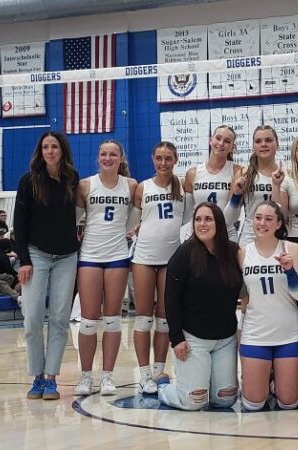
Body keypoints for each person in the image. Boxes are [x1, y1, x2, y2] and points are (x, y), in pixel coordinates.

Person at [156, 202, 243, 410]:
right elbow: (170, 297)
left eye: (208, 219)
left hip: (225, 339)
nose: (202, 224)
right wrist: (177, 339)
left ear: (219, 223)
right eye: (198, 219)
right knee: (193, 402)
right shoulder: (184, 253)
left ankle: (206, 381)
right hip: (193, 339)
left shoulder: (233, 252)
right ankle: (163, 387)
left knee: (225, 399)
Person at [14, 131, 80, 400]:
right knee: (31, 319)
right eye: (45, 147)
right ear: (40, 151)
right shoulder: (28, 181)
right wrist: (24, 260)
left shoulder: (72, 179)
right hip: (36, 255)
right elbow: (19, 223)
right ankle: (36, 376)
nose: (50, 151)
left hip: (67, 257)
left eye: (54, 146)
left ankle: (51, 377)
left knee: (60, 319)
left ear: (62, 150)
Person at [74, 140, 138, 397]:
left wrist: (123, 235)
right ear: (97, 158)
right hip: (89, 255)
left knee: (112, 319)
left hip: (117, 256)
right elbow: (76, 219)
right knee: (88, 320)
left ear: (120, 157)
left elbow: (134, 219)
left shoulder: (131, 185)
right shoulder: (85, 185)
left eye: (113, 154)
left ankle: (108, 377)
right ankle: (86, 377)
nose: (108, 158)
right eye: (103, 154)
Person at [130, 142, 187, 394]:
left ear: (176, 160)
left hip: (171, 258)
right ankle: (143, 375)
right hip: (143, 257)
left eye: (168, 159)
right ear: (152, 159)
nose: (163, 163)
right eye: (159, 158)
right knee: (143, 317)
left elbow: (186, 219)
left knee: (165, 319)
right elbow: (133, 221)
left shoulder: (184, 187)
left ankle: (158, 370)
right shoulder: (143, 187)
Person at [238, 201, 298, 411]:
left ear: (278, 223)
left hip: (288, 334)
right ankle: (262, 381)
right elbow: (241, 293)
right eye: (258, 218)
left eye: (268, 219)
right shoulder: (242, 252)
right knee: (253, 403)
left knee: (289, 403)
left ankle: (279, 382)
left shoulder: (292, 249)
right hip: (255, 333)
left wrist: (290, 271)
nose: (262, 223)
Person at [184, 125, 243, 240]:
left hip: (225, 235)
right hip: (197, 234)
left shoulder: (237, 172)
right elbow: (187, 214)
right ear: (211, 140)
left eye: (227, 141)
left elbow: (233, 215)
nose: (221, 143)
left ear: (232, 147)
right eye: (218, 138)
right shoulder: (192, 173)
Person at [232, 126, 286, 248]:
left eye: (268, 140)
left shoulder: (286, 174)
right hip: (250, 235)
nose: (263, 144)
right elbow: (232, 215)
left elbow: (284, 214)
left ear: (277, 144)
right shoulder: (244, 174)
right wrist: (236, 195)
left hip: (277, 234)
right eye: (258, 141)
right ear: (253, 146)